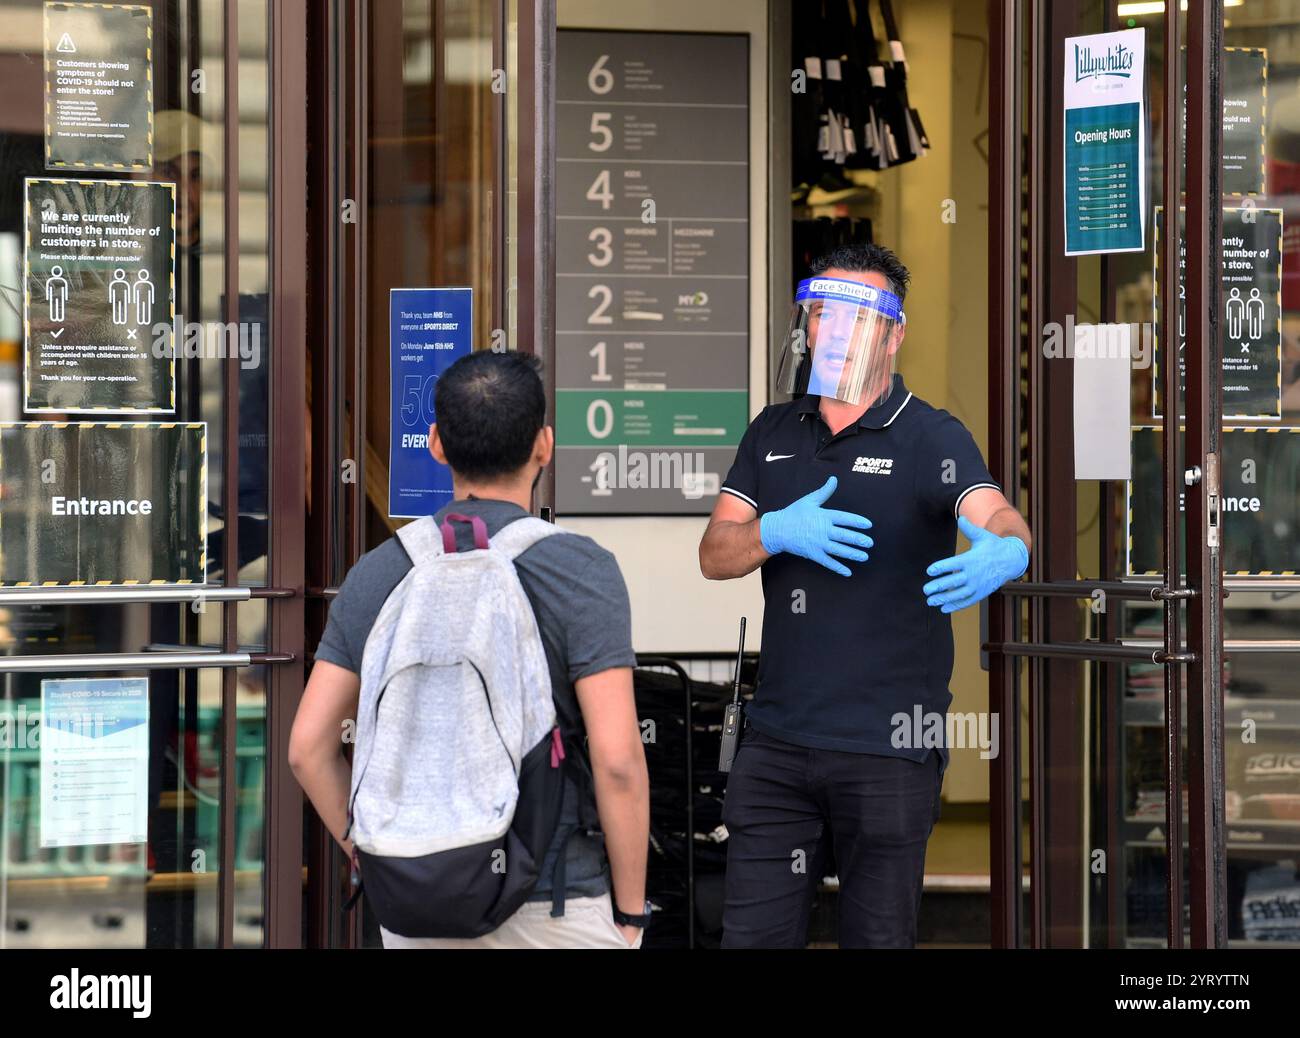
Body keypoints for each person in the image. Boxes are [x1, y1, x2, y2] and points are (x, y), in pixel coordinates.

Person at [698, 243, 1032, 948]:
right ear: (809, 325)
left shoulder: (931, 436)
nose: (838, 328)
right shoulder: (773, 432)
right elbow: (715, 554)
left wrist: (1009, 546)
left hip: (890, 750)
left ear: (894, 332)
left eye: (859, 313)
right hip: (776, 746)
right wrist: (776, 529)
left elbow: (992, 509)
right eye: (825, 312)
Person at [290, 350, 650, 948]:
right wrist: (632, 914)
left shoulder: (380, 573)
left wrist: (383, 852)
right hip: (553, 900)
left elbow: (307, 748)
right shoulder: (582, 571)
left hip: (417, 905)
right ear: (544, 445)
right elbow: (617, 760)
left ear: (435, 444)